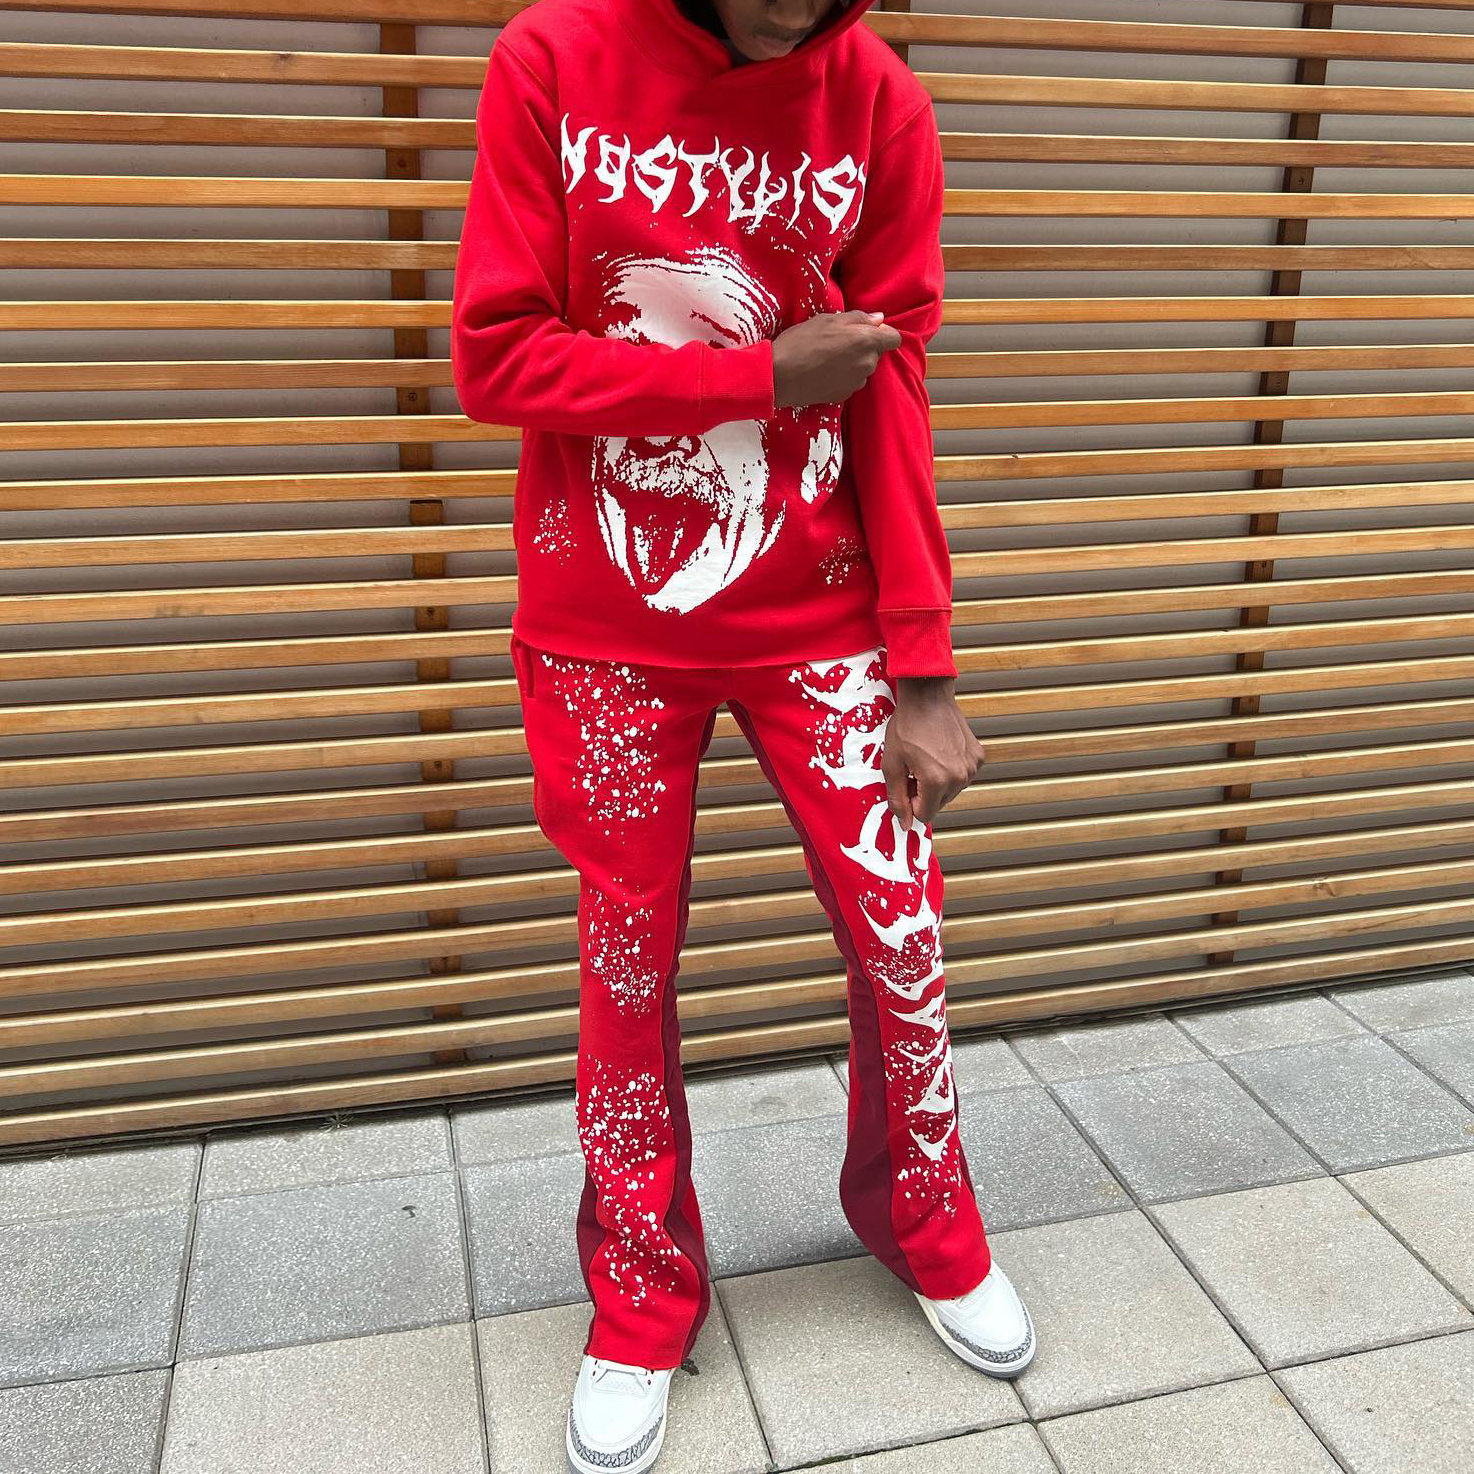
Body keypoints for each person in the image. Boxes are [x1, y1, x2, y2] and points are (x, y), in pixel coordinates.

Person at [451, 2, 1036, 1468]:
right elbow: (495, 359)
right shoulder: (553, 60)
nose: (794, 7)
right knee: (625, 964)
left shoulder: (877, 101)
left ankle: (926, 1222)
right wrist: (753, 378)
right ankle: (640, 1298)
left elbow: (891, 384)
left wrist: (924, 662)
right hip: (603, 625)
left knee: (901, 935)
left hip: (825, 620)